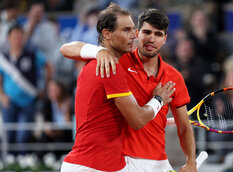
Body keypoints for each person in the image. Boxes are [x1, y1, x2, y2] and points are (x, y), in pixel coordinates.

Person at [60, 7, 197, 172]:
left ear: (165, 39)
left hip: (149, 162)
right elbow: (65, 49)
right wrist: (99, 51)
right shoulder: (113, 64)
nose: (151, 39)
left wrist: (191, 162)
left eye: (158, 34)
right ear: (139, 34)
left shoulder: (174, 77)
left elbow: (183, 126)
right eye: (146, 32)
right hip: (115, 162)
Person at [0, 24, 51, 155]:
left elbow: (48, 66)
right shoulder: (3, 58)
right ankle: (10, 164)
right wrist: (2, 96)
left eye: (20, 35)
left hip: (29, 101)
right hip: (9, 102)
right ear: (9, 38)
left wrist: (44, 88)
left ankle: (23, 163)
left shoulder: (32, 54)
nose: (17, 38)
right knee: (9, 135)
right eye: (15, 35)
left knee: (23, 135)